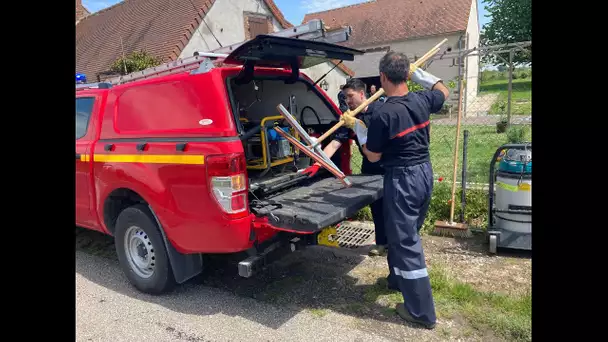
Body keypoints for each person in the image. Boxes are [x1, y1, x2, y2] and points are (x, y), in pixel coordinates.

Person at [341, 51, 450, 329]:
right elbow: (442, 90)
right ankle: (397, 280)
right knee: (404, 233)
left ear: (383, 77)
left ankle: (421, 312)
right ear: (407, 74)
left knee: (405, 242)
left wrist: (360, 130)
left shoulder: (384, 113)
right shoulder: (421, 99)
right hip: (425, 172)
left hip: (403, 178)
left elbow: (372, 156)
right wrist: (419, 76)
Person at [303, 78, 388, 257]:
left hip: (389, 163)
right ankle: (381, 242)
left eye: (350, 96)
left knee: (393, 205)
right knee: (377, 206)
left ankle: (396, 243)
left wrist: (359, 127)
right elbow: (335, 143)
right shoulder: (350, 117)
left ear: (362, 94)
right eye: (345, 97)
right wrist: (319, 162)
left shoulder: (380, 111)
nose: (348, 101)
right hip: (369, 166)